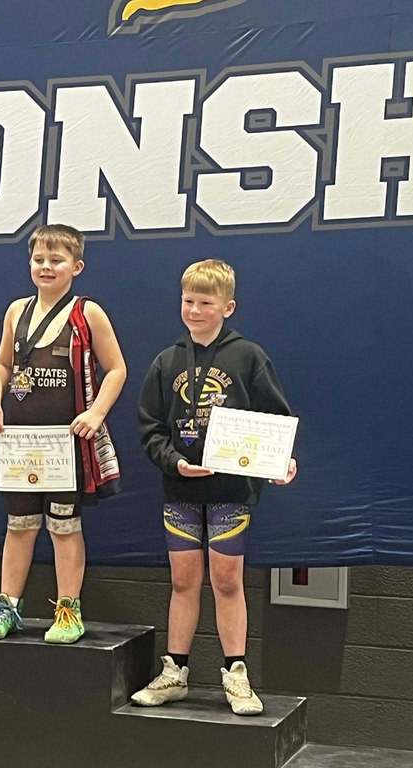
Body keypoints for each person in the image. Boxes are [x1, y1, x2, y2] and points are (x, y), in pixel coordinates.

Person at [132, 259, 297, 715]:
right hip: (181, 490)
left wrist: (281, 460)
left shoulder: (249, 357)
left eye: (206, 303)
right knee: (182, 581)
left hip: (230, 491)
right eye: (188, 301)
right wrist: (176, 463)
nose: (195, 310)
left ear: (228, 307)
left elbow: (275, 420)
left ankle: (237, 674)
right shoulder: (167, 362)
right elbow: (149, 429)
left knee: (227, 581)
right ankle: (175, 672)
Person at [0, 224, 126, 644]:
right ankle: (8, 606)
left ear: (76, 266)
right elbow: (3, 365)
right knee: (19, 523)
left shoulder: (86, 313)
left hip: (65, 440)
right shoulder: (16, 311)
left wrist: (96, 413)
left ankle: (68, 609)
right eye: (39, 259)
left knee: (64, 525)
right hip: (21, 439)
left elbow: (117, 368)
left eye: (56, 260)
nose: (46, 266)